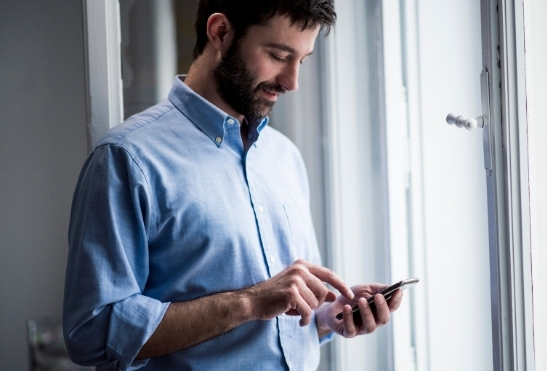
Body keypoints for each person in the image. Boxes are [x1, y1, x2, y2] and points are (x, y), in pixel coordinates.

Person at [63, 1, 403, 370]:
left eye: (301, 61)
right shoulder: (128, 158)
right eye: (277, 55)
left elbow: (284, 309)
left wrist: (327, 317)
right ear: (220, 32)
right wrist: (248, 303)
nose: (292, 82)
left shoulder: (285, 156)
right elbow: (91, 333)